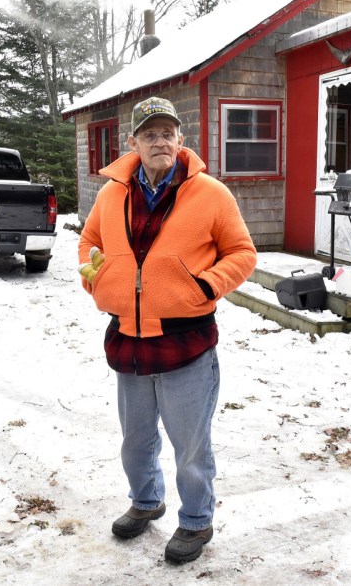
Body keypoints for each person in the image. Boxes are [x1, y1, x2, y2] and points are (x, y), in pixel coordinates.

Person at [77, 96, 257, 564]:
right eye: (149, 133)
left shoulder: (211, 193)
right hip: (128, 341)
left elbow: (242, 253)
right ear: (132, 142)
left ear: (181, 139)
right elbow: (90, 241)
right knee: (135, 439)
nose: (159, 140)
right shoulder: (112, 193)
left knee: (190, 444)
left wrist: (206, 284)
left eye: (167, 132)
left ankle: (196, 521)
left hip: (187, 342)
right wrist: (92, 274)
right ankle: (146, 501)